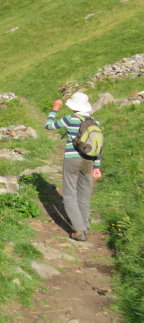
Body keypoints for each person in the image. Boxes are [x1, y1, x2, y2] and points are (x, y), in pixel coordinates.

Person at [45, 92, 102, 241]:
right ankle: (86, 226)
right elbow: (97, 145)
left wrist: (55, 109)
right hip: (89, 160)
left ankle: (79, 230)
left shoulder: (70, 119)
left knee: (70, 195)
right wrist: (97, 166)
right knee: (84, 195)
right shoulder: (95, 122)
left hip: (72, 159)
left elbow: (48, 126)